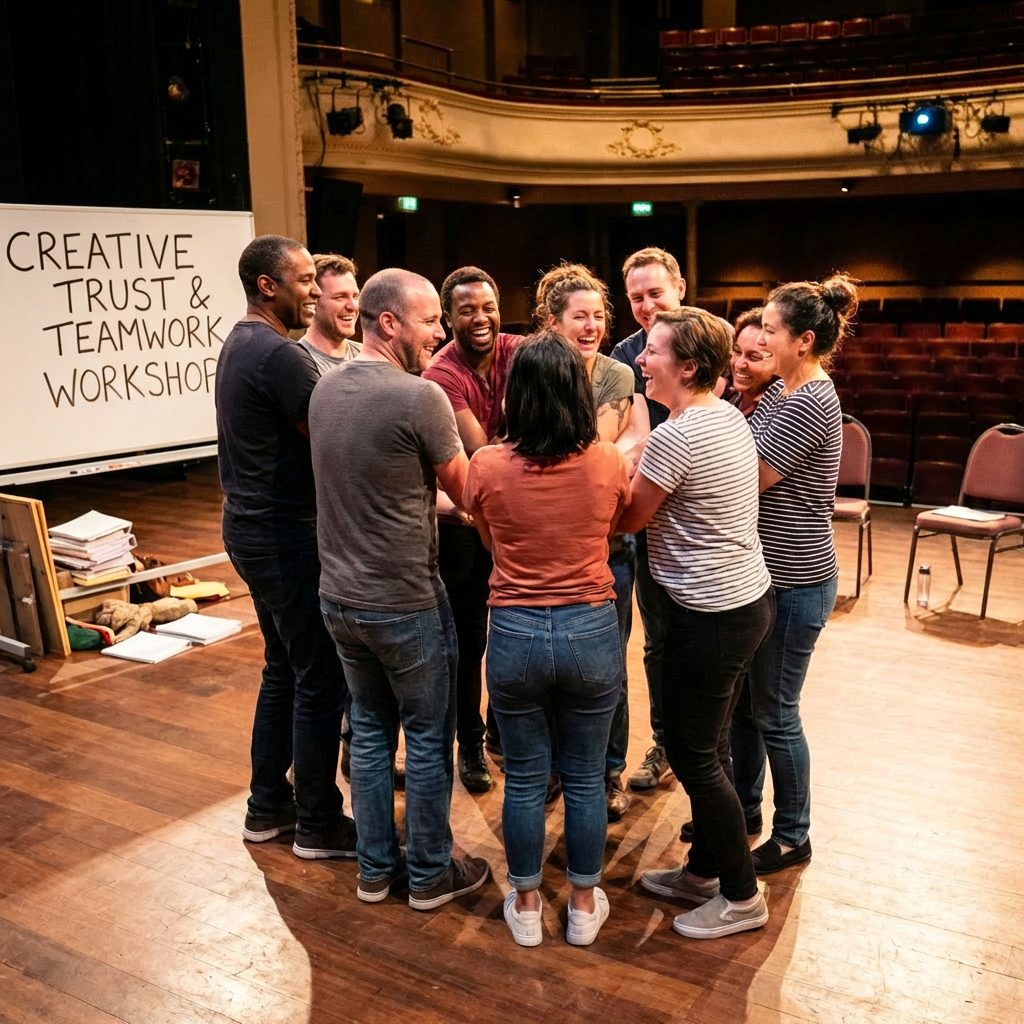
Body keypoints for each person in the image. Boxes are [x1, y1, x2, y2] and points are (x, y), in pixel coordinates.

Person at [309, 267, 490, 909]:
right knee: (429, 734)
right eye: (431, 319)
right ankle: (431, 875)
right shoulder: (420, 397)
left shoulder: (324, 390)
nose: (439, 333)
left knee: (368, 732)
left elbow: (378, 486)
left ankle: (375, 871)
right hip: (406, 600)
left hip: (339, 598)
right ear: (390, 323)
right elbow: (467, 492)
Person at [464, 330, 630, 947]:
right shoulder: (607, 461)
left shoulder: (486, 464)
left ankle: (528, 903)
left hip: (514, 628)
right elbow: (612, 529)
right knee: (587, 777)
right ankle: (584, 906)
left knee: (527, 778)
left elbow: (487, 541)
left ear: (517, 395)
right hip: (590, 625)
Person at [617, 307, 775, 940]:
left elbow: (628, 519)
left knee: (692, 752)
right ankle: (705, 871)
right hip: (739, 604)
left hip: (712, 615)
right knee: (713, 747)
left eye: (652, 351)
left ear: (687, 366)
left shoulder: (676, 436)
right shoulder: (726, 416)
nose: (639, 361)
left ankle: (741, 896)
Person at [216, 235, 355, 860]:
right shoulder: (279, 356)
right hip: (282, 535)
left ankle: (267, 806)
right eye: (304, 281)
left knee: (285, 669)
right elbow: (330, 444)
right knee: (320, 677)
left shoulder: (241, 341)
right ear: (267, 286)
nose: (316, 292)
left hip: (250, 528)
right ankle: (319, 822)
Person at [730, 274, 852, 875]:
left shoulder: (808, 400)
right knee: (753, 707)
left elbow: (748, 477)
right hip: (772, 575)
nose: (761, 339)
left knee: (776, 711)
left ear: (803, 341)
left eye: (771, 331)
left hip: (796, 579)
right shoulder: (784, 390)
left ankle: (794, 832)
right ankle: (747, 810)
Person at [535, 263, 650, 821]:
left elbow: (591, 445)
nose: (592, 326)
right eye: (579, 317)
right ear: (552, 322)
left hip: (607, 543)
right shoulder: (529, 368)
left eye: (599, 316)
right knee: (551, 663)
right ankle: (558, 768)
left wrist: (624, 444)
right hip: (544, 539)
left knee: (608, 666)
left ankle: (606, 773)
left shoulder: (616, 374)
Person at [422, 267, 522, 794]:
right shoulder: (441, 372)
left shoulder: (520, 349)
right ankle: (470, 743)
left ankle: (503, 735)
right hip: (463, 520)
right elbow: (480, 451)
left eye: (487, 306)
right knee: (468, 639)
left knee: (511, 629)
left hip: (514, 516)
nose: (480, 318)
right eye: (467, 310)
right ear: (448, 317)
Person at [611, 247, 686, 794]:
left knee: (678, 641)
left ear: (679, 287)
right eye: (636, 296)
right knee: (637, 643)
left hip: (687, 518)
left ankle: (685, 745)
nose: (645, 304)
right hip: (637, 512)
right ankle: (642, 751)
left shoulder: (711, 341)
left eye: (655, 292)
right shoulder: (625, 354)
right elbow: (625, 435)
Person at [298, 254, 362, 374]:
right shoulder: (298, 364)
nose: (353, 306)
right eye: (340, 297)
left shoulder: (369, 359)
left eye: (355, 296)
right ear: (313, 301)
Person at [722, 307, 775, 418]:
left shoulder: (775, 414)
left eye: (753, 357)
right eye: (737, 351)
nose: (739, 364)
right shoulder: (727, 396)